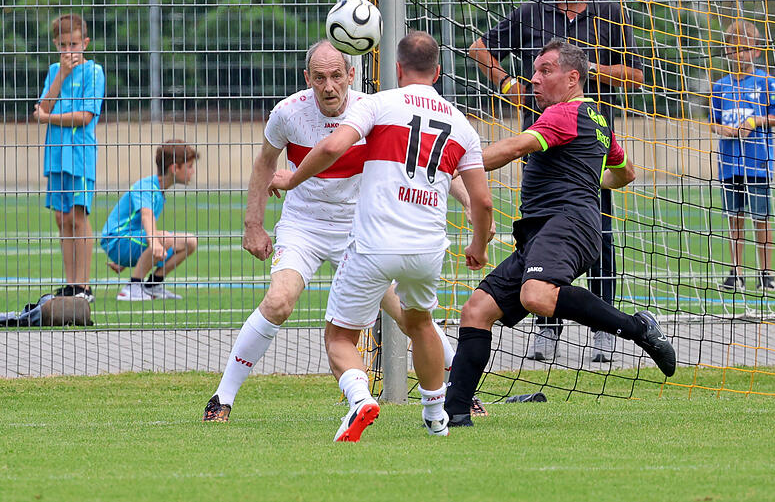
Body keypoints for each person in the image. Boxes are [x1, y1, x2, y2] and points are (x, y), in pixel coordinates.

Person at [202, 39, 477, 424]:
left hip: (359, 229)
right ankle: (222, 397)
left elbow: (427, 161)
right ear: (307, 78)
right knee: (280, 301)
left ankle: (463, 390)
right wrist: (253, 225)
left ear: (351, 75)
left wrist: (465, 198)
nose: (329, 86)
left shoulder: (374, 111)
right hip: (304, 225)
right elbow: (265, 163)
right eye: (319, 78)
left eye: (336, 76)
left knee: (407, 313)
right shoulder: (287, 113)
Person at [269, 32, 493, 441]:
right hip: (427, 247)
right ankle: (435, 416)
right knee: (421, 323)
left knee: (339, 335)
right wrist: (477, 245)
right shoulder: (462, 125)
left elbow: (333, 146)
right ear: (438, 72)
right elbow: (483, 202)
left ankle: (359, 399)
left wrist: (292, 177)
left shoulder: (379, 103)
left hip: (373, 244)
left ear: (398, 69)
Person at [445, 40, 675, 427]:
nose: (533, 79)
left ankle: (638, 328)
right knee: (477, 310)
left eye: (545, 71)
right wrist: (589, 178)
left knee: (535, 295)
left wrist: (448, 162)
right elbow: (626, 173)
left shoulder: (565, 113)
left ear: (573, 78)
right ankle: (454, 413)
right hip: (547, 230)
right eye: (534, 71)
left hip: (569, 223)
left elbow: (513, 147)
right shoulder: (595, 118)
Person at [468, 0, 644, 363]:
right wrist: (507, 83)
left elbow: (637, 76)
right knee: (541, 233)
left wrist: (588, 68)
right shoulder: (531, 13)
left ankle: (605, 330)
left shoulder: (609, 14)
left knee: (600, 233)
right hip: (539, 142)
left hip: (589, 143)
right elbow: (479, 48)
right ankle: (547, 329)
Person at [34, 13, 106, 303]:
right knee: (62, 218)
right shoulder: (55, 70)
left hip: (80, 156)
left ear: (85, 42)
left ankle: (84, 286)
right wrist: (61, 76)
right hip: (56, 155)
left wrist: (49, 117)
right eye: (63, 45)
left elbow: (84, 116)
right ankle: (70, 283)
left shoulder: (94, 72)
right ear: (55, 44)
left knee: (78, 216)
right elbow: (42, 106)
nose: (68, 51)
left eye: (73, 44)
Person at [710, 19, 775, 292]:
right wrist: (724, 129)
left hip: (757, 162)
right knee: (735, 217)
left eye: (744, 49)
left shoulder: (766, 81)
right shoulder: (720, 86)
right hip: (730, 162)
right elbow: (713, 121)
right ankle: (736, 273)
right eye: (733, 49)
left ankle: (766, 273)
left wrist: (755, 121)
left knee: (761, 218)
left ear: (756, 51)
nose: (739, 55)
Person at [100, 140, 199, 301]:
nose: (193, 171)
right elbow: (147, 216)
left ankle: (153, 284)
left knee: (190, 242)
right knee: (164, 238)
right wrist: (155, 243)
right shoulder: (147, 187)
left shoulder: (159, 190)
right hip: (115, 241)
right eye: (189, 166)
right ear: (174, 168)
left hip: (128, 241)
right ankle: (132, 288)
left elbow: (138, 226)